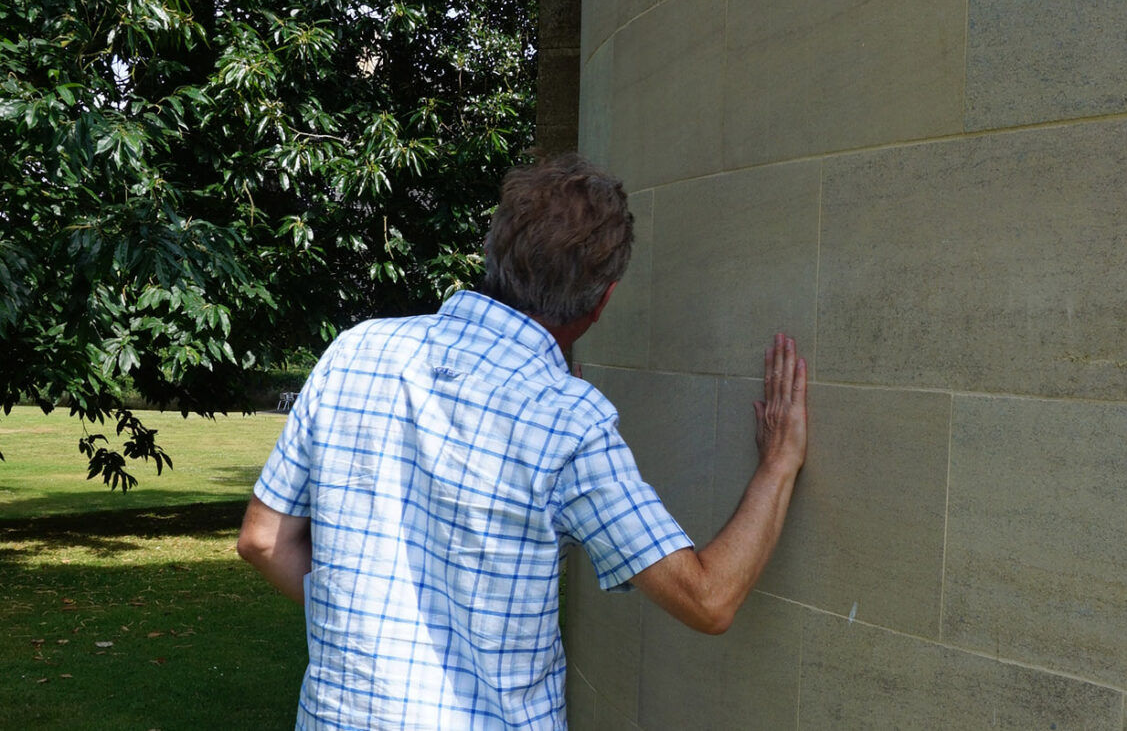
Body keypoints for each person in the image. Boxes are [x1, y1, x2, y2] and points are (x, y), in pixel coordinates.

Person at [236, 153, 808, 730]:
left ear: (496, 248)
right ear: (603, 299)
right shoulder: (568, 420)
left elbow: (263, 540)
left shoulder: (356, 350)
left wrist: (370, 633)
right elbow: (707, 600)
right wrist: (778, 465)